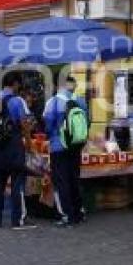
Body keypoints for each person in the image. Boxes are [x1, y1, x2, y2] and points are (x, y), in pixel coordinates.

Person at [0, 73, 36, 230]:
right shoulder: (17, 101)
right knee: (17, 183)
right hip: (14, 147)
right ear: (15, 84)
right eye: (18, 85)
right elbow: (25, 124)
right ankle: (18, 220)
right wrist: (29, 145)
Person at [43, 76, 89, 227]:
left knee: (60, 182)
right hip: (76, 146)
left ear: (58, 85)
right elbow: (87, 122)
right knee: (74, 179)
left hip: (58, 147)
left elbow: (48, 125)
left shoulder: (53, 102)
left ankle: (66, 215)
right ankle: (79, 212)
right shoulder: (80, 101)